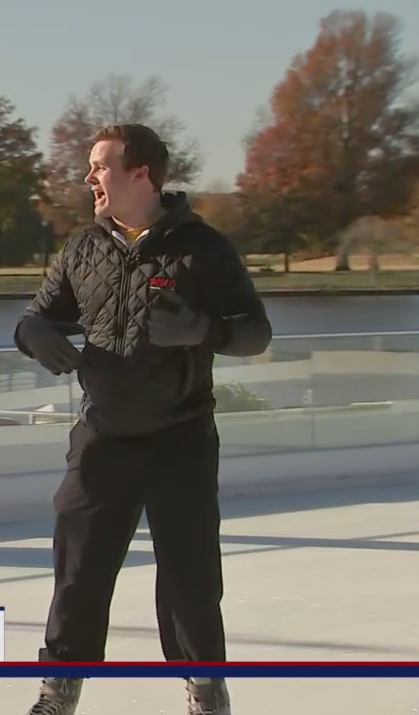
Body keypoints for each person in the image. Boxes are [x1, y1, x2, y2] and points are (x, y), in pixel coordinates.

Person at [15, 123, 271, 715]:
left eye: (100, 166)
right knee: (77, 571)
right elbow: (37, 315)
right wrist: (34, 336)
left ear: (141, 175)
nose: (89, 178)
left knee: (189, 578)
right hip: (103, 436)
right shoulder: (84, 247)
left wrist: (205, 331)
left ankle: (206, 692)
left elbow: (256, 332)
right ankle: (58, 692)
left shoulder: (202, 249)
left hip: (180, 436)